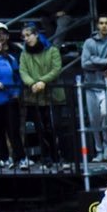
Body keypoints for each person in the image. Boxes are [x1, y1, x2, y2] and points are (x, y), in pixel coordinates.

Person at [19, 24, 63, 169]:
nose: (26, 38)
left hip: (51, 93)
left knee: (53, 126)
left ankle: (57, 155)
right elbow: (23, 71)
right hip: (34, 95)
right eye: (24, 36)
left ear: (36, 34)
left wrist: (43, 81)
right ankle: (46, 157)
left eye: (28, 35)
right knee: (40, 128)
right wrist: (32, 83)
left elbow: (56, 69)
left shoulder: (51, 50)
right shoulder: (24, 54)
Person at [81, 15, 107, 162]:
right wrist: (105, 62)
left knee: (106, 115)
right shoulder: (89, 42)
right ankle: (98, 151)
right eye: (101, 23)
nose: (104, 26)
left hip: (106, 85)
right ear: (97, 25)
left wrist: (95, 60)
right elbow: (85, 64)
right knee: (94, 120)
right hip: (91, 85)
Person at [0, 34, 23, 169]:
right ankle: (2, 158)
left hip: (10, 100)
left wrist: (17, 92)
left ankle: (20, 157)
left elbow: (17, 77)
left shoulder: (10, 59)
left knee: (13, 130)